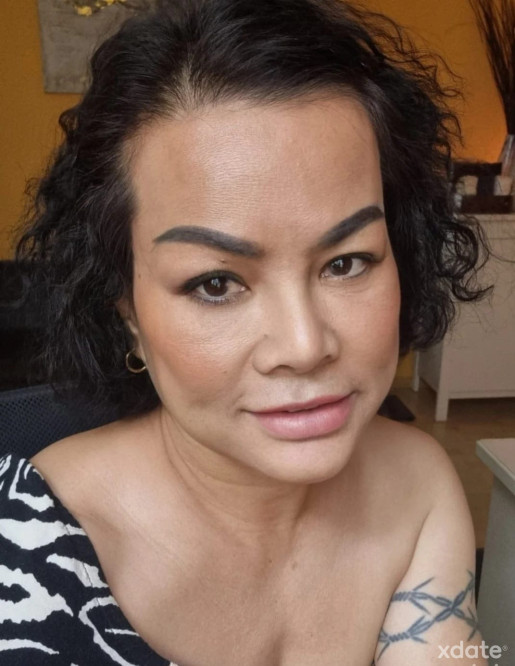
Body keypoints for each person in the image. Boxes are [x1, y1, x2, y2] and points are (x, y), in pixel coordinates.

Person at [0, 0, 491, 664]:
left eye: (347, 262)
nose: (303, 346)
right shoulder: (19, 548)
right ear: (126, 311)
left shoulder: (416, 485)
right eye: (215, 283)